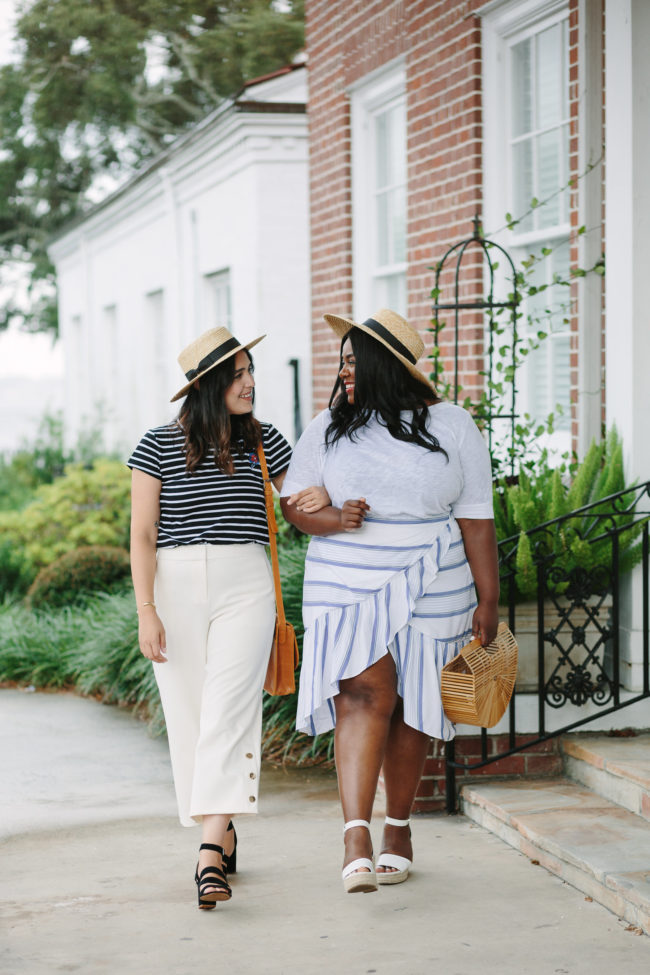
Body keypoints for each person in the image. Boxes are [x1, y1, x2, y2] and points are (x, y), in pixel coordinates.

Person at [281, 309, 499, 894]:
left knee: (413, 703)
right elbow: (293, 508)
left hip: (436, 576)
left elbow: (477, 516)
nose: (345, 370)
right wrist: (333, 516)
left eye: (355, 360)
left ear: (384, 365)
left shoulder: (452, 424)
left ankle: (398, 827)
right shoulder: (329, 425)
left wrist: (490, 599)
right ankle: (356, 832)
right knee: (363, 693)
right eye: (344, 360)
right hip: (348, 578)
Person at [128, 326, 326, 909]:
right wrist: (147, 611)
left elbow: (298, 506)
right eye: (238, 375)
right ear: (210, 384)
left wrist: (314, 502)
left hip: (246, 583)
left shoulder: (267, 442)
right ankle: (226, 827)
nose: (250, 383)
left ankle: (209, 853)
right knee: (190, 715)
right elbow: (141, 536)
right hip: (174, 582)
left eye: (251, 372)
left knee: (229, 711)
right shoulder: (155, 446)